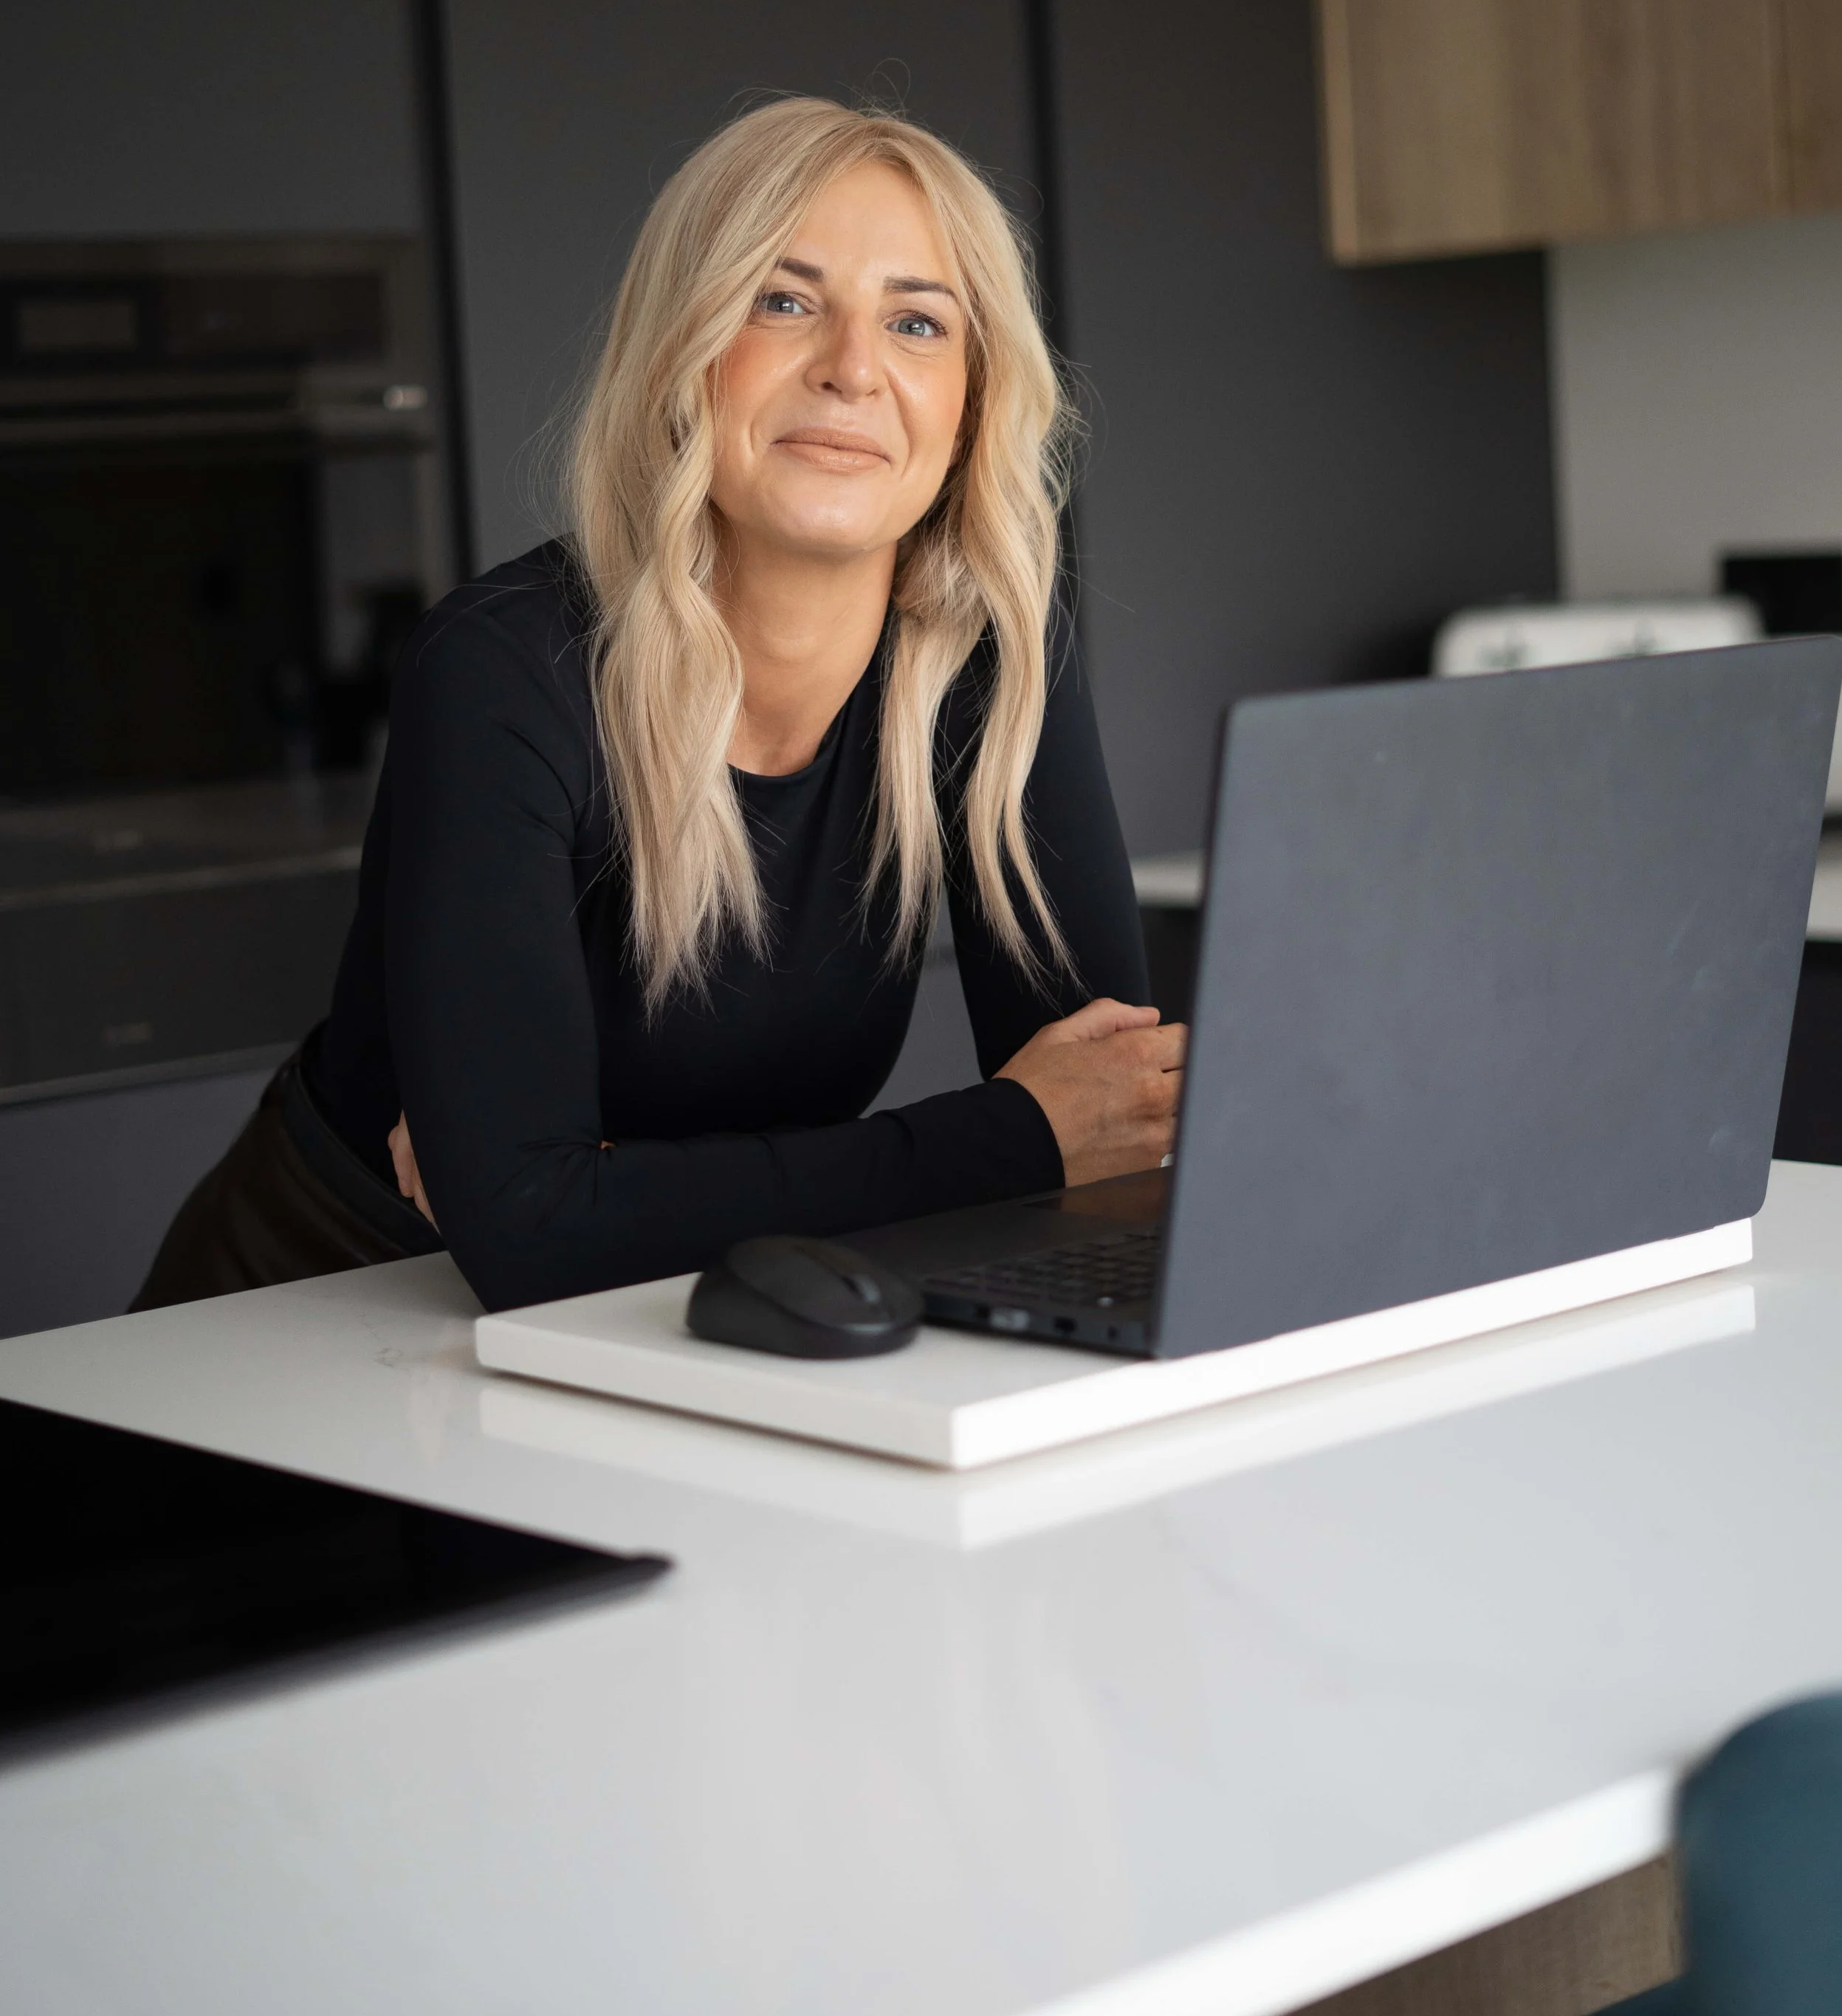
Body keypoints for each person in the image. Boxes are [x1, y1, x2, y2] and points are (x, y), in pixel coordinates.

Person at [135, 100, 1185, 1316]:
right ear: (682, 353)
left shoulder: (983, 658)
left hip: (706, 1303)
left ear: (971, 403)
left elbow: (1116, 1116)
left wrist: (617, 1195)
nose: (854, 366)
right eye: (783, 301)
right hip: (321, 1321)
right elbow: (526, 1238)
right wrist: (1009, 1136)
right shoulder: (506, 671)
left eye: (916, 321)